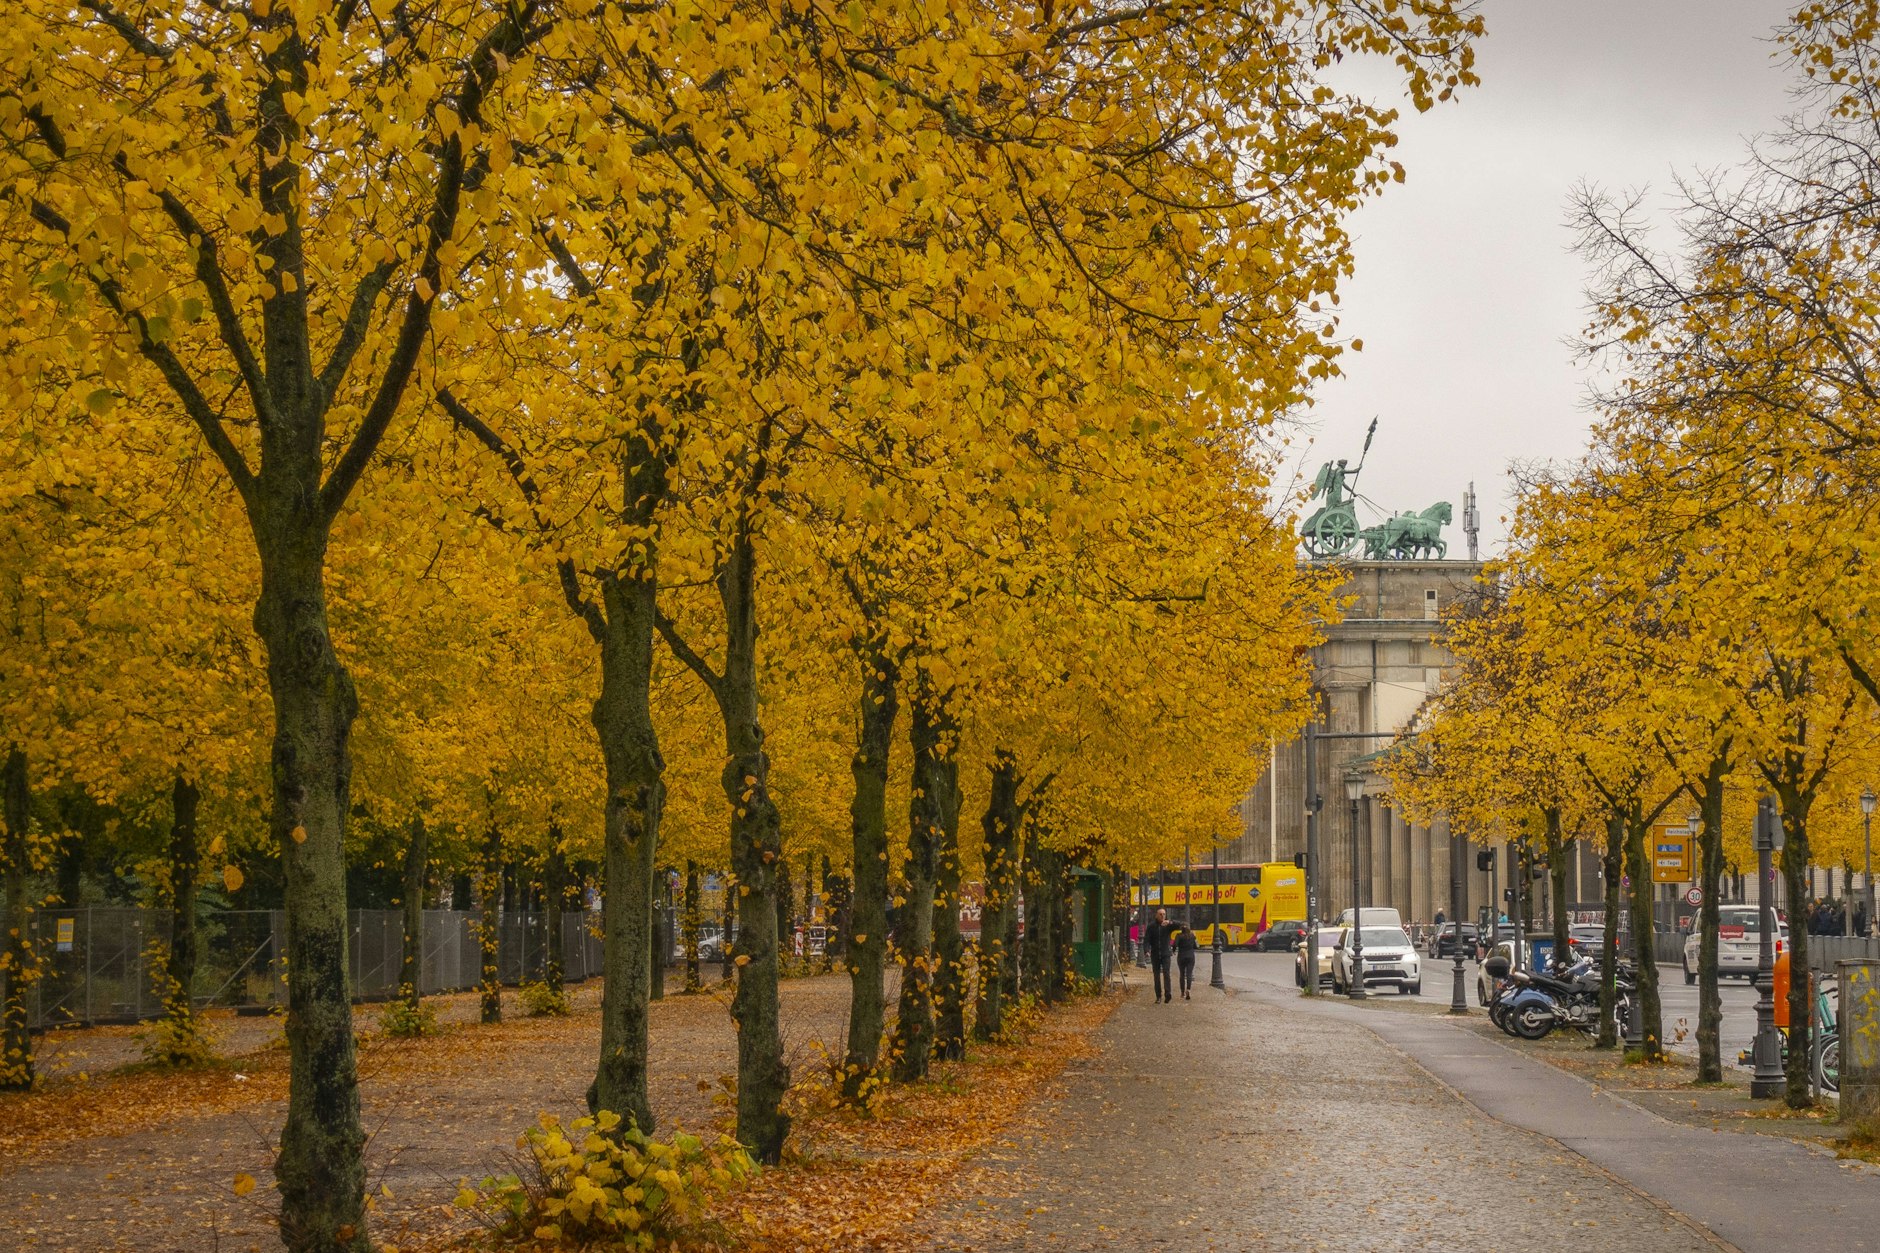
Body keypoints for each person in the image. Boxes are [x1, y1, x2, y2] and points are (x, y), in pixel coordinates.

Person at [1147, 908, 1175, 1003]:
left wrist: (1170, 922)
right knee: (1156, 975)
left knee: (1166, 973)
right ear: (1156, 915)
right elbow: (1147, 939)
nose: (1163, 916)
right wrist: (1147, 950)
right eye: (1160, 914)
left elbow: (1182, 925)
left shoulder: (1167, 926)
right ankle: (1158, 996)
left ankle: (1168, 994)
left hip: (1166, 953)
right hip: (1155, 954)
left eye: (1164, 914)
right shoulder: (1151, 926)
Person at [1174, 921, 1198, 1000]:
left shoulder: (1179, 936)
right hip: (1191, 956)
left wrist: (1173, 950)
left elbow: (1175, 945)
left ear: (1181, 929)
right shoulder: (1192, 936)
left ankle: (1182, 993)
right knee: (1189, 974)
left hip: (1181, 956)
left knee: (1182, 974)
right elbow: (1196, 946)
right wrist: (1195, 937)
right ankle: (1188, 989)